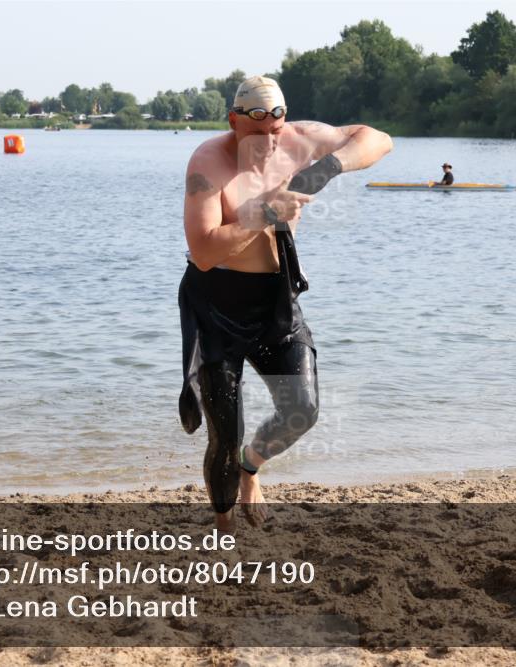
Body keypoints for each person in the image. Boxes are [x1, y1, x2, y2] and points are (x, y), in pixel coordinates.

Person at [177, 75, 392, 531]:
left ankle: (250, 466)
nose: (267, 143)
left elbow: (377, 139)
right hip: (216, 305)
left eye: (274, 132)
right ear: (233, 121)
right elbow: (204, 251)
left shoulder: (297, 141)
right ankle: (224, 528)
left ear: (284, 121)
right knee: (223, 433)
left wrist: (325, 169)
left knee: (303, 411)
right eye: (255, 134)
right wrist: (261, 215)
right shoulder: (208, 163)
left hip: (275, 300)